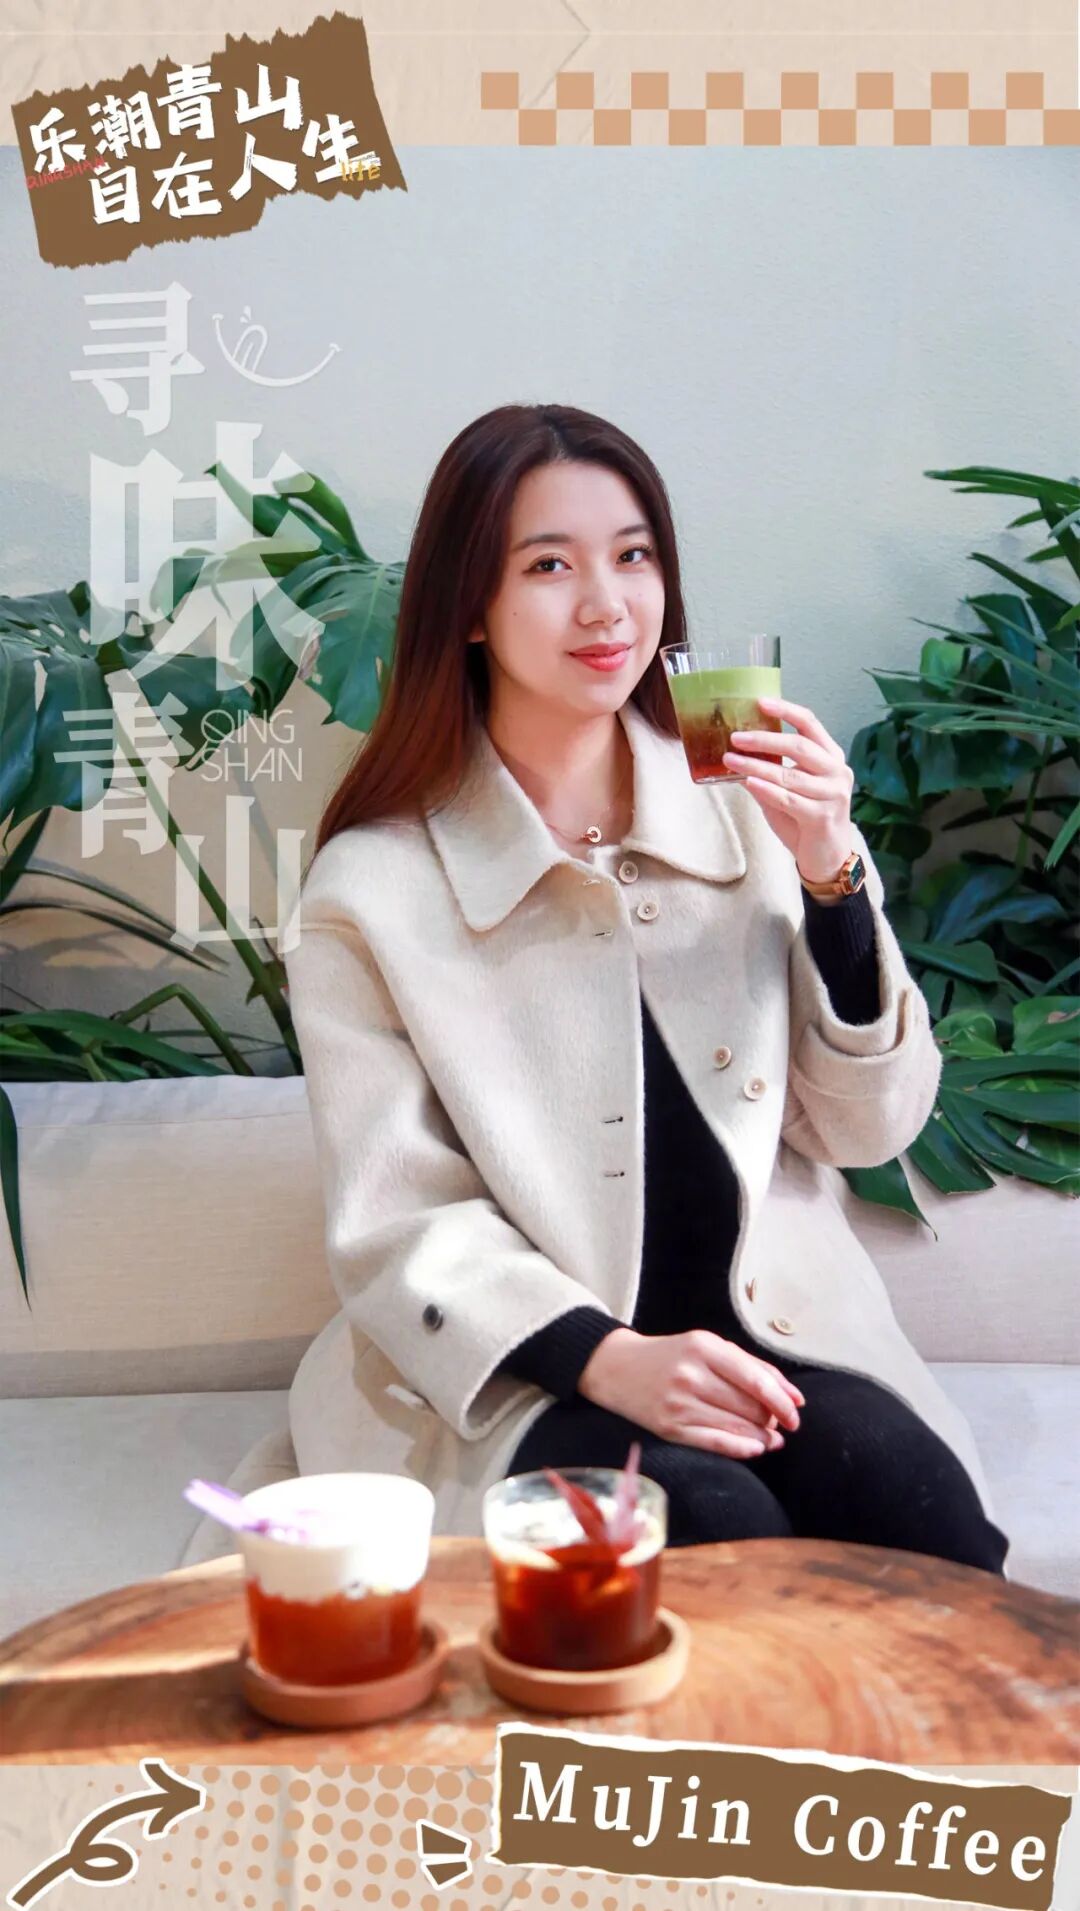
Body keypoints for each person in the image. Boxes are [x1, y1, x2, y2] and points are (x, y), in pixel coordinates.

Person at [283, 401, 1008, 1574]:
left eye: (633, 557)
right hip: (533, 1368)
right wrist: (610, 1359)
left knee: (926, 1525)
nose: (606, 605)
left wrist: (832, 873)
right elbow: (397, 1222)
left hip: (774, 1332)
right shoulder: (372, 889)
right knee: (706, 1528)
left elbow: (867, 1130)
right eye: (548, 566)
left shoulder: (750, 806)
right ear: (468, 606)